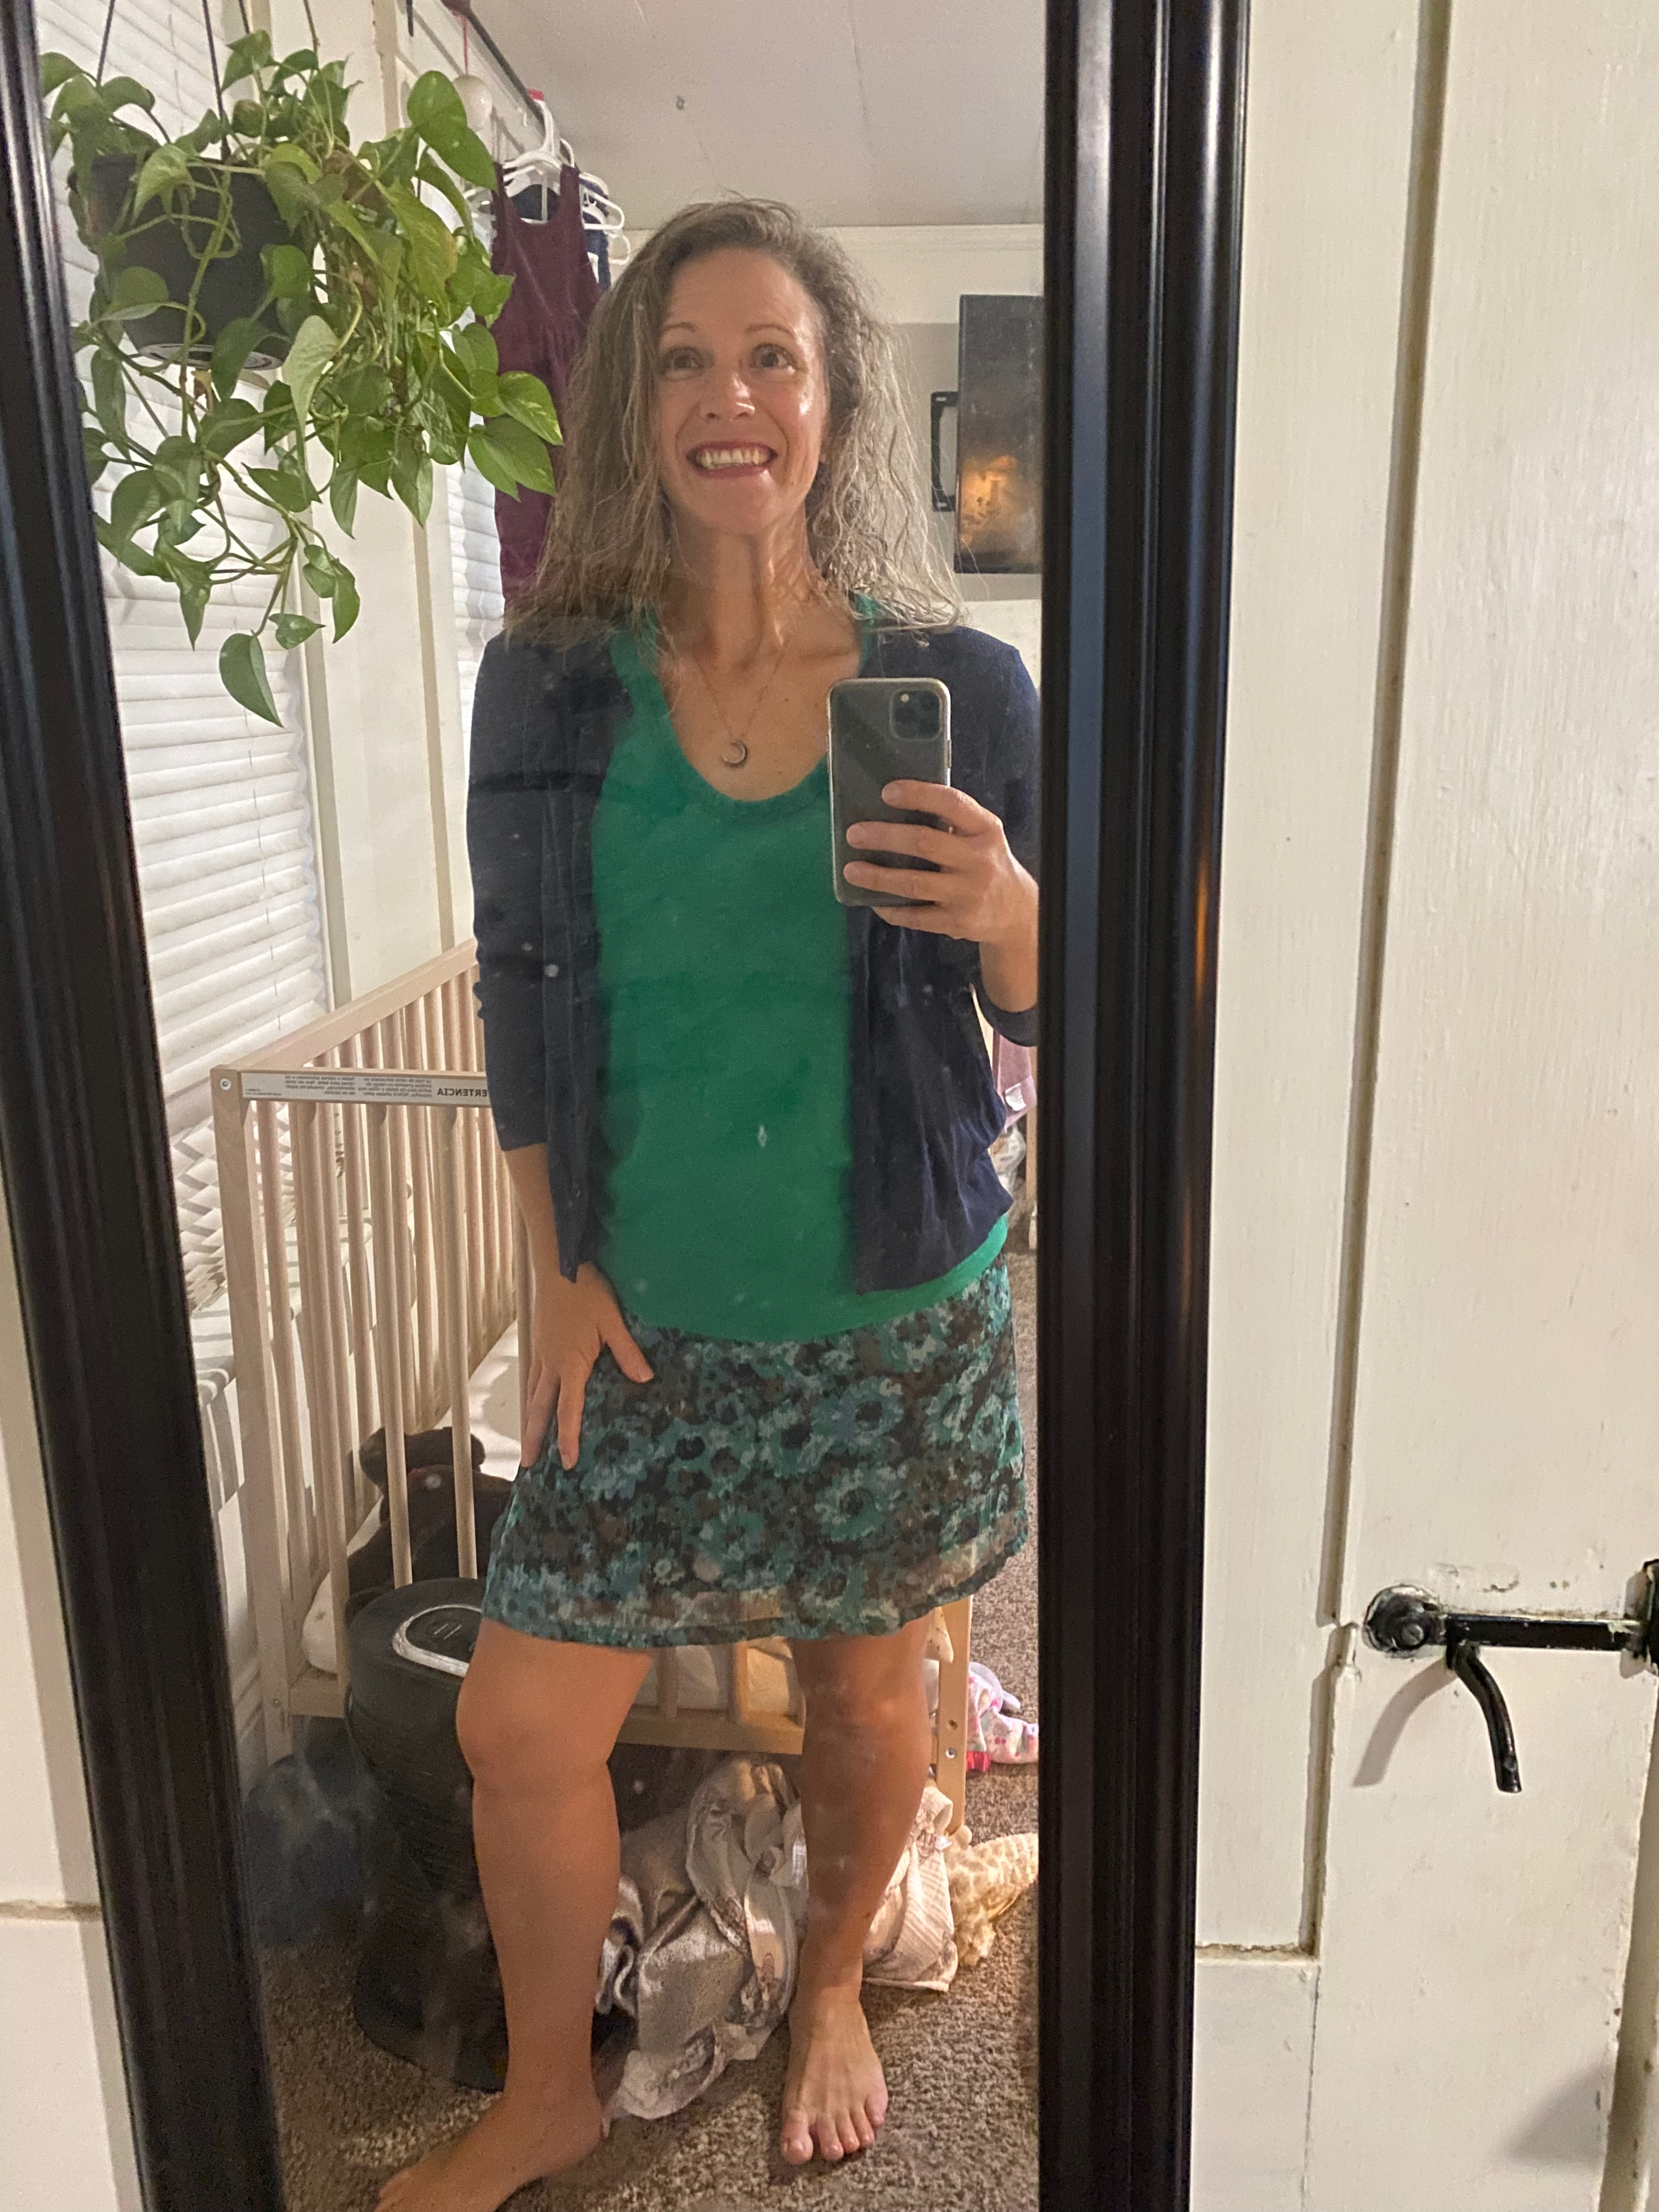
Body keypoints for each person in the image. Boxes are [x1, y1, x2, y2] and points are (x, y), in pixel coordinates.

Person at [379, 197, 1039, 2212]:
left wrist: (1013, 910)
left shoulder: (959, 678)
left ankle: (827, 1985)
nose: (727, 397)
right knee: (519, 1725)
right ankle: (550, 2091)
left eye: (772, 357)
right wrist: (551, 1268)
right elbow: (516, 985)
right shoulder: (546, 686)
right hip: (639, 1316)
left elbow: (1048, 1007)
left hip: (887, 1307)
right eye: (682, 359)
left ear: (836, 401)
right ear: (631, 405)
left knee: (863, 1696)